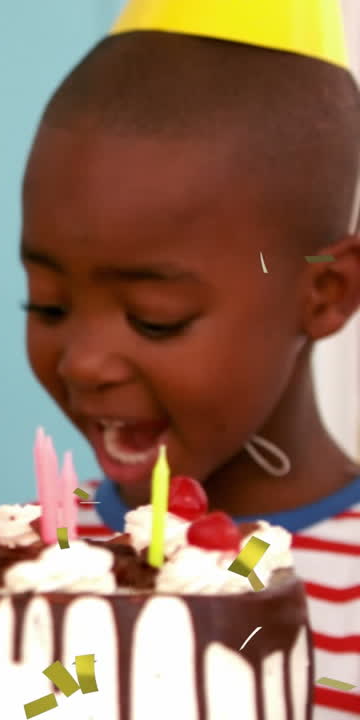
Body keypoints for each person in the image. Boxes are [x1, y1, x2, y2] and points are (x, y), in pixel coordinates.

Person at [22, 1, 360, 716]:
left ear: (324, 292)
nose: (84, 363)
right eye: (48, 305)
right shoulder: (27, 558)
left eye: (156, 318)